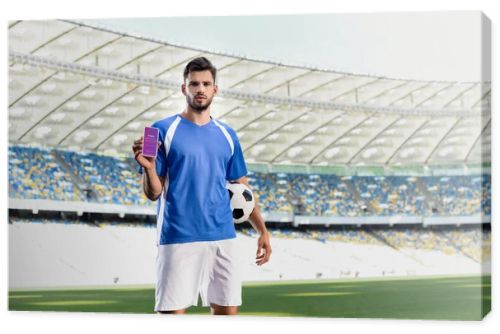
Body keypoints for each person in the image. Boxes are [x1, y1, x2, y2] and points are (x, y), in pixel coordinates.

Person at [132, 57, 271, 315]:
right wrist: (149, 168)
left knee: (228, 315)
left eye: (206, 83)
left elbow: (243, 189)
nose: (200, 89)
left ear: (215, 89)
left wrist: (262, 230)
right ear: (184, 88)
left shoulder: (228, 134)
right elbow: (153, 193)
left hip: (223, 237)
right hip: (178, 238)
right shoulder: (159, 130)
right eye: (194, 84)